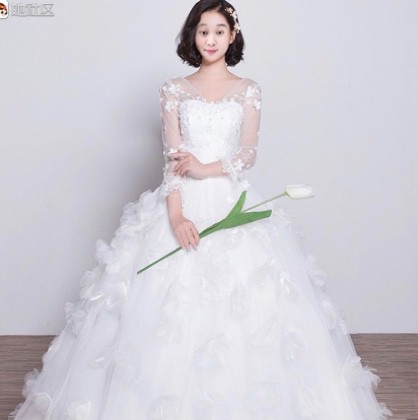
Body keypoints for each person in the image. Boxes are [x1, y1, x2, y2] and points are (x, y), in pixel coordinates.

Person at [9, 1, 392, 419]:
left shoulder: (249, 89)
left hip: (230, 199)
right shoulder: (174, 89)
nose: (211, 39)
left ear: (233, 35)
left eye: (219, 31)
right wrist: (176, 217)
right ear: (193, 35)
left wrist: (207, 168)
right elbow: (172, 161)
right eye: (203, 31)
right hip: (183, 200)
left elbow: (247, 154)